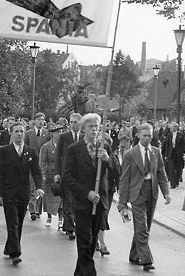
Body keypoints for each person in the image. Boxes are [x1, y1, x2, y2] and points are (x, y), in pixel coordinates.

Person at [62, 113, 113, 276]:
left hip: (100, 202)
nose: (94, 129)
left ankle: (80, 273)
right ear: (83, 129)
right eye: (90, 126)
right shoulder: (74, 150)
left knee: (91, 244)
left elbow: (117, 172)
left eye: (96, 126)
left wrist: (107, 159)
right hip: (83, 203)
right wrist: (87, 193)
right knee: (84, 240)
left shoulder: (104, 148)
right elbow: (68, 178)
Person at [118, 123, 171, 271]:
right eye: (144, 135)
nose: (147, 138)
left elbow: (161, 173)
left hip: (151, 192)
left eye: (149, 136)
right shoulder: (130, 154)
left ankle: (134, 255)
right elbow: (124, 179)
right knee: (142, 227)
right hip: (136, 193)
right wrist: (122, 202)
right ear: (138, 136)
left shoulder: (156, 152)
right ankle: (146, 259)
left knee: (145, 225)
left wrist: (166, 192)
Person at [0, 121, 44, 266]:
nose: (20, 134)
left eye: (22, 131)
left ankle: (10, 246)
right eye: (16, 131)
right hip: (9, 192)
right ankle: (16, 252)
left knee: (19, 222)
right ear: (11, 133)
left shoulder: (30, 151)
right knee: (13, 222)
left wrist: (39, 187)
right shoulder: (3, 151)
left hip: (24, 192)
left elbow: (36, 171)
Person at [54, 112, 83, 240]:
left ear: (80, 124)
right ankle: (69, 227)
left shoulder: (83, 137)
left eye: (75, 122)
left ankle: (76, 224)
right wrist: (57, 173)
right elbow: (57, 155)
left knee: (78, 201)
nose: (72, 125)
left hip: (81, 175)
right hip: (67, 174)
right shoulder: (64, 137)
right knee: (68, 200)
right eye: (71, 122)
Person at [24, 112, 48, 220]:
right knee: (31, 186)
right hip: (30, 163)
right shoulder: (28, 133)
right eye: (39, 120)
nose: (41, 122)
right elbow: (25, 147)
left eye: (43, 120)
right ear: (34, 121)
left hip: (42, 164)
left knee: (40, 186)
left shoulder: (47, 134)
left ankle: (38, 210)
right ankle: (32, 210)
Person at [40, 125, 62, 227]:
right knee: (49, 196)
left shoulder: (64, 146)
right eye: (57, 132)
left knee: (60, 197)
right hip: (49, 174)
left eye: (61, 132)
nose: (59, 134)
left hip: (60, 174)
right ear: (52, 134)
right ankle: (49, 216)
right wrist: (43, 174)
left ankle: (61, 218)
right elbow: (42, 162)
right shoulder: (46, 146)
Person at [162, 122, 185, 189]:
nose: (171, 128)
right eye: (171, 127)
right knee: (171, 168)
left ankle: (177, 181)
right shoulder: (169, 135)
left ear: (176, 127)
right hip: (171, 153)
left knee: (178, 168)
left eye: (173, 127)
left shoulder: (181, 135)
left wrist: (182, 153)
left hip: (178, 153)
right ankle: (173, 184)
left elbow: (183, 145)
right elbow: (167, 145)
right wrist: (166, 155)